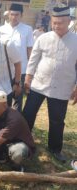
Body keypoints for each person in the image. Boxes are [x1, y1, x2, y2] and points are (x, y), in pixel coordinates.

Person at [23, 6, 77, 163]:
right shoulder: (43, 38)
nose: (56, 26)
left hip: (62, 87)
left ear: (69, 21)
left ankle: (54, 149)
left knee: (57, 120)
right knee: (28, 114)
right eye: (54, 22)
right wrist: (28, 77)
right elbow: (33, 59)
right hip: (39, 84)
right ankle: (23, 141)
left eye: (60, 22)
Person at [0, 3, 34, 112]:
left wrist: (29, 71)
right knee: (4, 97)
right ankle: (3, 121)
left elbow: (29, 50)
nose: (14, 17)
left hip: (21, 70)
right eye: (12, 14)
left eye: (17, 15)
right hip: (4, 69)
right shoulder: (1, 30)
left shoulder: (27, 29)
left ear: (21, 15)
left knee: (17, 98)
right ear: (8, 14)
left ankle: (15, 124)